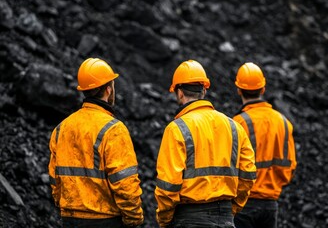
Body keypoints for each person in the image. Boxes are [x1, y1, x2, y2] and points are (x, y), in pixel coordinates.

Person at [154, 60, 257, 228]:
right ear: (204, 90)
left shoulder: (177, 129)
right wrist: (232, 208)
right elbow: (248, 175)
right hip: (225, 218)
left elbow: (169, 185)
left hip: (189, 218)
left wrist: (165, 219)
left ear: (179, 93)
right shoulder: (234, 127)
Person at [48, 58, 144, 228]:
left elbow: (55, 181)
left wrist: (67, 207)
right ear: (108, 89)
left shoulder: (61, 128)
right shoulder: (114, 129)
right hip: (105, 220)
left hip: (70, 218)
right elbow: (125, 183)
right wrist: (133, 218)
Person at [232, 62, 297, 228]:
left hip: (243, 204)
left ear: (239, 90)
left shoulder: (238, 124)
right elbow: (290, 167)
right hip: (270, 204)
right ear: (263, 89)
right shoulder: (283, 122)